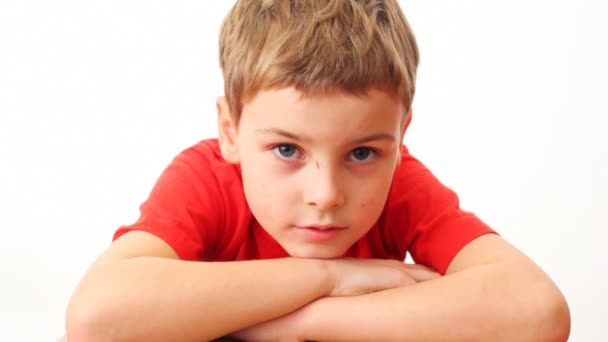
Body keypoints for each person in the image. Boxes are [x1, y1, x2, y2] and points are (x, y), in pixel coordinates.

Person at [65, 1, 570, 341]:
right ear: (231, 130)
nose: (326, 195)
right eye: (287, 150)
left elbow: (537, 311)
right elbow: (95, 318)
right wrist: (334, 274)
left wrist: (294, 320)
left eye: (363, 154)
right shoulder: (207, 178)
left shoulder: (402, 183)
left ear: (401, 135)